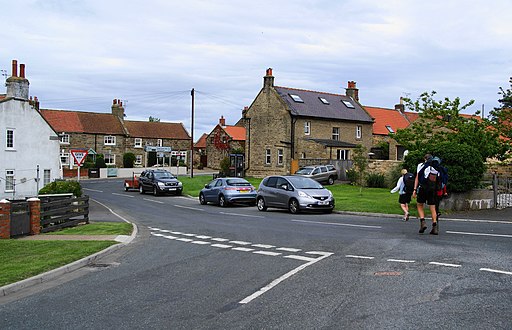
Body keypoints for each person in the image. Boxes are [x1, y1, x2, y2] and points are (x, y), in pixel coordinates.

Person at [412, 154, 439, 235]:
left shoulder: (421, 165)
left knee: (420, 205)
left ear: (425, 159)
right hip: (432, 189)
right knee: (432, 207)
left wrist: (414, 189)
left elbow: (417, 177)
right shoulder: (436, 167)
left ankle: (422, 222)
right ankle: (434, 226)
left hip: (423, 188)